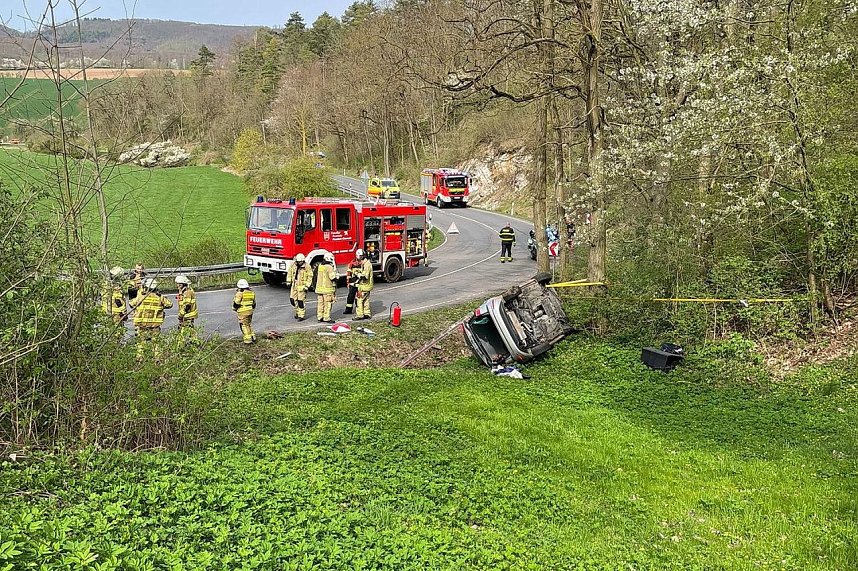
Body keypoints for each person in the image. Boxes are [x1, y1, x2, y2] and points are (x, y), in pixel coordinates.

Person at [130, 277, 173, 360]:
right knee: (155, 342)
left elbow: (132, 304)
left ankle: (140, 359)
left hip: (142, 324)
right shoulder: (159, 297)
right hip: (154, 325)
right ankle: (158, 359)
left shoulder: (142, 296)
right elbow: (170, 305)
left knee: (141, 342)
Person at [102, 266, 128, 334]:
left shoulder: (105, 284)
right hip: (116, 314)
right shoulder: (116, 288)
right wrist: (124, 313)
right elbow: (118, 301)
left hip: (105, 312)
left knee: (107, 331)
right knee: (117, 332)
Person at [175, 275, 199, 345]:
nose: (177, 285)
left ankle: (180, 346)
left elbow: (187, 306)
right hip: (187, 315)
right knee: (191, 330)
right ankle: (195, 343)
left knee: (182, 330)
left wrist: (181, 315)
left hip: (187, 315)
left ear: (182, 284)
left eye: (178, 284)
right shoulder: (183, 292)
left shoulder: (187, 292)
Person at [286, 253, 311, 321]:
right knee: (292, 300)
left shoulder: (307, 267)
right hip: (294, 284)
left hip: (302, 286)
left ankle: (301, 315)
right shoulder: (293, 265)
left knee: (300, 301)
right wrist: (288, 281)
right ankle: (297, 312)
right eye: (298, 261)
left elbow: (310, 277)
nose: (299, 263)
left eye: (300, 262)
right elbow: (290, 273)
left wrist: (307, 286)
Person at [315, 252, 338, 323]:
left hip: (319, 289)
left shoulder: (320, 266)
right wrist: (337, 276)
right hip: (327, 289)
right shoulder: (329, 267)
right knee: (327, 304)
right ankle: (326, 317)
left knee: (320, 304)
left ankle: (320, 317)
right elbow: (332, 277)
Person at [232, 279, 257, 344]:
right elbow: (254, 303)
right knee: (248, 324)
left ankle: (248, 340)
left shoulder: (240, 293)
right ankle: (253, 337)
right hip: (250, 311)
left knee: (243, 325)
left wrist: (234, 308)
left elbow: (236, 303)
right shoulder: (251, 293)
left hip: (242, 312)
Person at [353, 249, 374, 320]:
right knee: (366, 300)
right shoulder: (366, 263)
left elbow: (364, 277)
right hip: (367, 286)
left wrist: (357, 274)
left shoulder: (366, 264)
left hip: (364, 287)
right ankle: (367, 313)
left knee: (359, 300)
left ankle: (360, 315)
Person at [343, 250, 364, 315]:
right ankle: (348, 310)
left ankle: (359, 310)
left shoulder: (363, 263)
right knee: (350, 297)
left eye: (362, 256)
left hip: (360, 283)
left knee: (359, 298)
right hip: (353, 283)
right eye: (360, 256)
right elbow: (349, 273)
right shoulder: (352, 263)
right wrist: (348, 282)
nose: (361, 257)